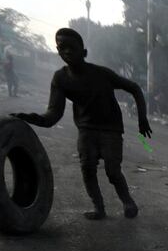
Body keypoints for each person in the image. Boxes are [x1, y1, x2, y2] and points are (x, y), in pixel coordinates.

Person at [12, 28, 151, 220]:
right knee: (87, 169)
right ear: (58, 51)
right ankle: (99, 208)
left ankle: (128, 202)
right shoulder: (60, 78)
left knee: (113, 170)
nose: (67, 52)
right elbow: (54, 114)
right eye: (62, 48)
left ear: (83, 52)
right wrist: (33, 118)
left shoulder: (101, 74)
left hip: (111, 129)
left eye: (72, 48)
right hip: (86, 129)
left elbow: (134, 88)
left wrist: (142, 119)